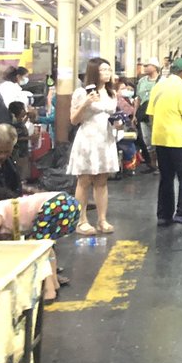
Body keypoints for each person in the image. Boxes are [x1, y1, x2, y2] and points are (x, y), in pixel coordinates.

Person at [0, 189, 82, 298]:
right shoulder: (11, 214)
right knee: (47, 247)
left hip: (55, 205)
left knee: (38, 250)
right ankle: (54, 282)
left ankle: (49, 291)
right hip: (70, 205)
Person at [67, 57, 120, 235]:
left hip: (105, 138)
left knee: (102, 181)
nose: (107, 73)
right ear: (94, 72)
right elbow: (74, 120)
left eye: (109, 70)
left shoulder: (111, 93)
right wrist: (86, 103)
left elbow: (110, 114)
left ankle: (102, 219)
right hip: (87, 139)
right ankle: (81, 220)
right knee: (84, 181)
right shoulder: (82, 93)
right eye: (103, 70)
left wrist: (117, 122)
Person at [147, 56, 182, 229]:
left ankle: (164, 215)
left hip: (159, 137)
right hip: (177, 138)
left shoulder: (159, 85)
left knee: (166, 176)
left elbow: (150, 113)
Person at [135, 58, 161, 173]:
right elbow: (138, 98)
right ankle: (153, 164)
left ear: (155, 67)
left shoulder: (162, 81)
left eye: (147, 65)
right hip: (144, 114)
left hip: (158, 114)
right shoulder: (142, 81)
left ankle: (161, 164)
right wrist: (135, 114)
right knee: (147, 140)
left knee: (159, 139)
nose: (144, 68)